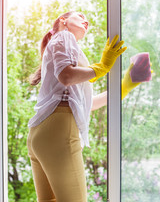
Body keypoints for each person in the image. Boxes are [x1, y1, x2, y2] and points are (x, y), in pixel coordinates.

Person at [27, 11, 127, 202]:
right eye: (80, 16)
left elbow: (86, 105)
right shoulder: (64, 36)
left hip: (39, 135)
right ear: (63, 21)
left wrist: (126, 85)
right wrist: (102, 67)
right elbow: (67, 76)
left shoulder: (59, 47)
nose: (86, 20)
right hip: (58, 129)